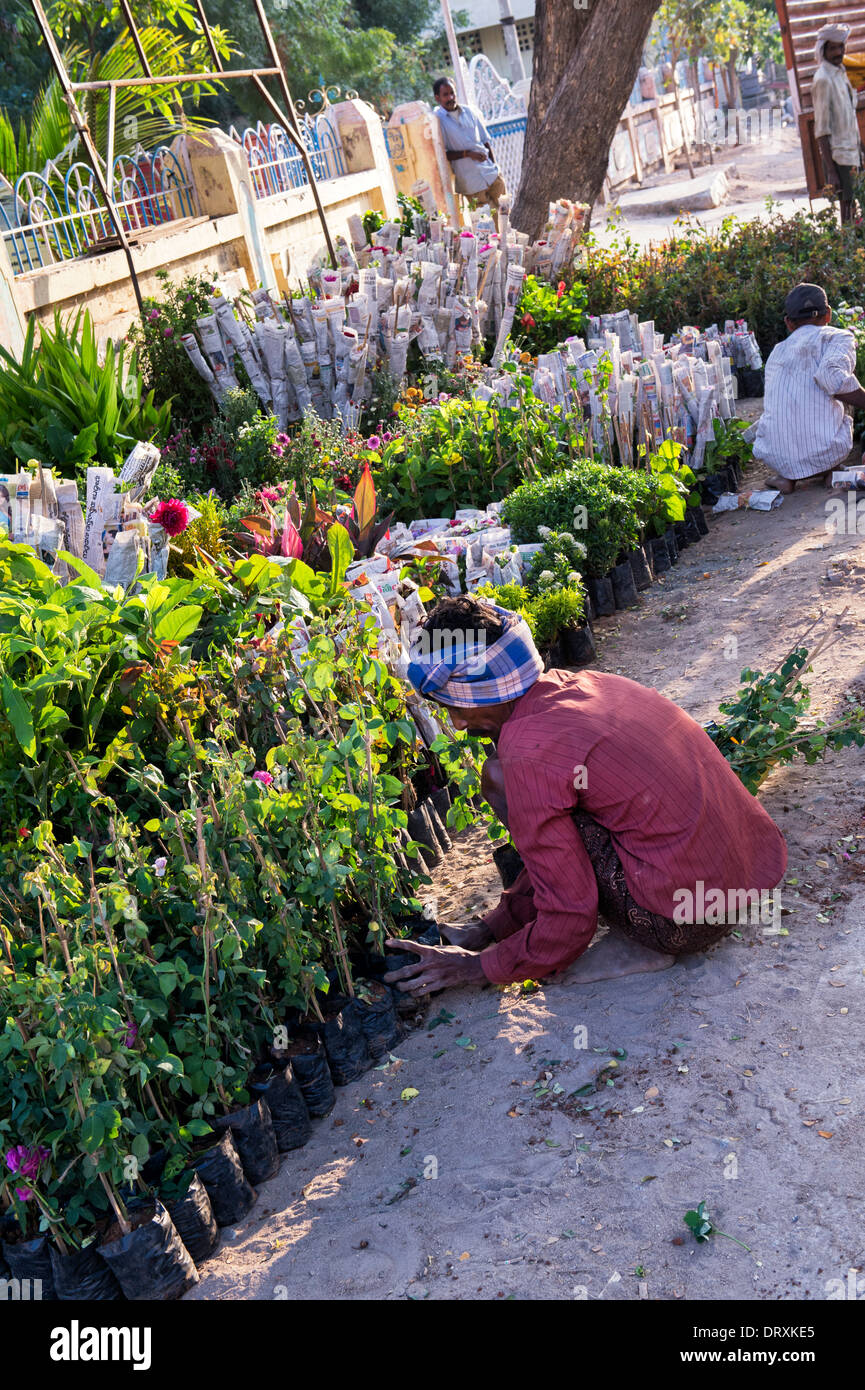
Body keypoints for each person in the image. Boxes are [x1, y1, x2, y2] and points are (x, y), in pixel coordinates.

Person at [384, 597, 787, 997]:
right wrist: (491, 928)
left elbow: (570, 913)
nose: (457, 723)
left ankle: (642, 943)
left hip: (685, 923)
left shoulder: (527, 752)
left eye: (456, 706)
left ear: (485, 688)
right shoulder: (580, 684)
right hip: (745, 880)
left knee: (498, 778)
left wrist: (476, 967)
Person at [753, 283, 865, 493]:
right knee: (843, 384)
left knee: (796, 396)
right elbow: (832, 378)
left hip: (776, 456)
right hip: (825, 452)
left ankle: (786, 478)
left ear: (788, 323)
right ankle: (832, 470)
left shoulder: (777, 351)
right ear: (828, 314)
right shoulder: (838, 337)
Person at [432, 77, 507, 223]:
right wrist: (467, 154)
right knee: (487, 227)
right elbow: (443, 155)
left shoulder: (469, 112)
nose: (451, 97)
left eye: (452, 93)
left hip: (492, 175)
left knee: (506, 218)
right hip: (471, 184)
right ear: (437, 98)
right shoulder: (437, 121)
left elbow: (485, 141)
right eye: (445, 94)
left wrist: (494, 166)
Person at [812, 23, 863, 224]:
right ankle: (848, 252)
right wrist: (832, 172)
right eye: (833, 48)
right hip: (840, 159)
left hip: (853, 154)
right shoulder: (823, 79)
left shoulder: (840, 73)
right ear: (823, 50)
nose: (838, 52)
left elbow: (849, 117)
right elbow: (822, 131)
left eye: (840, 47)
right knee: (847, 211)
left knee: (856, 206)